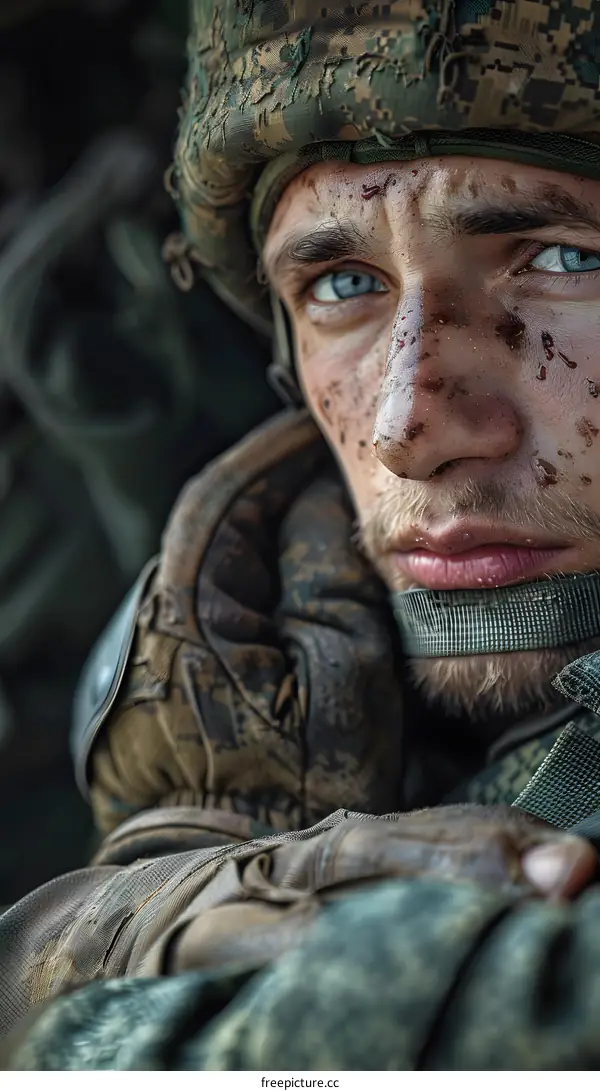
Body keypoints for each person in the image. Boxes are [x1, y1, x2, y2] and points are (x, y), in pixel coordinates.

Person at [4, 0, 600, 1070]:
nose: (404, 426)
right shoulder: (288, 673)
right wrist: (190, 874)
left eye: (561, 260)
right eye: (341, 284)